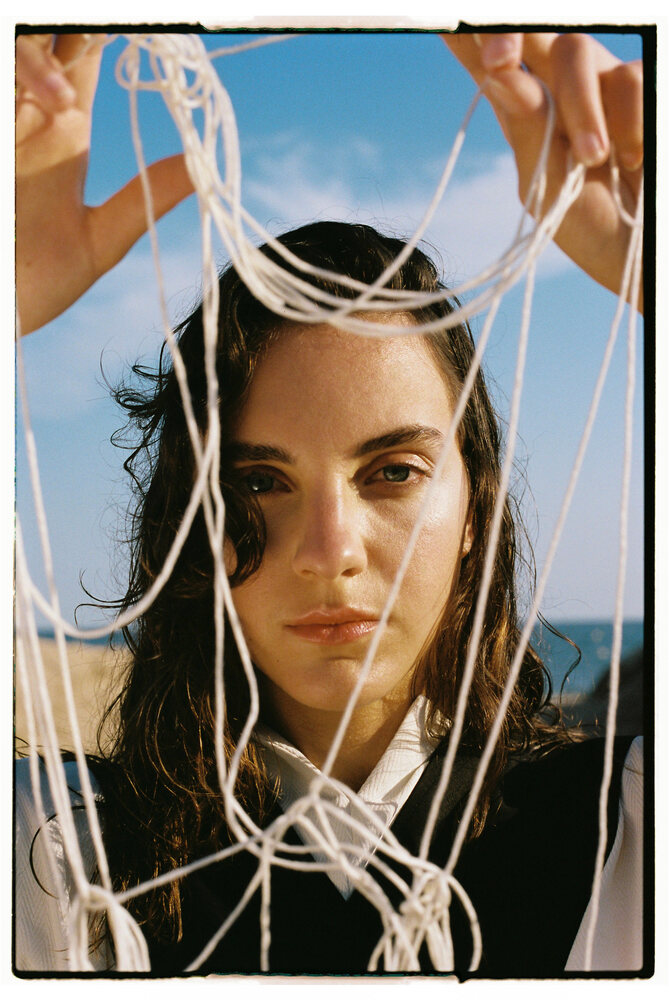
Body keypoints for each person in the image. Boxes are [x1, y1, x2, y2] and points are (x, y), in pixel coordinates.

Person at [14, 30, 645, 976]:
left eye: (391, 471)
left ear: (473, 512)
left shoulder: (626, 835)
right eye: (258, 481)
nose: (327, 549)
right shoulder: (60, 860)